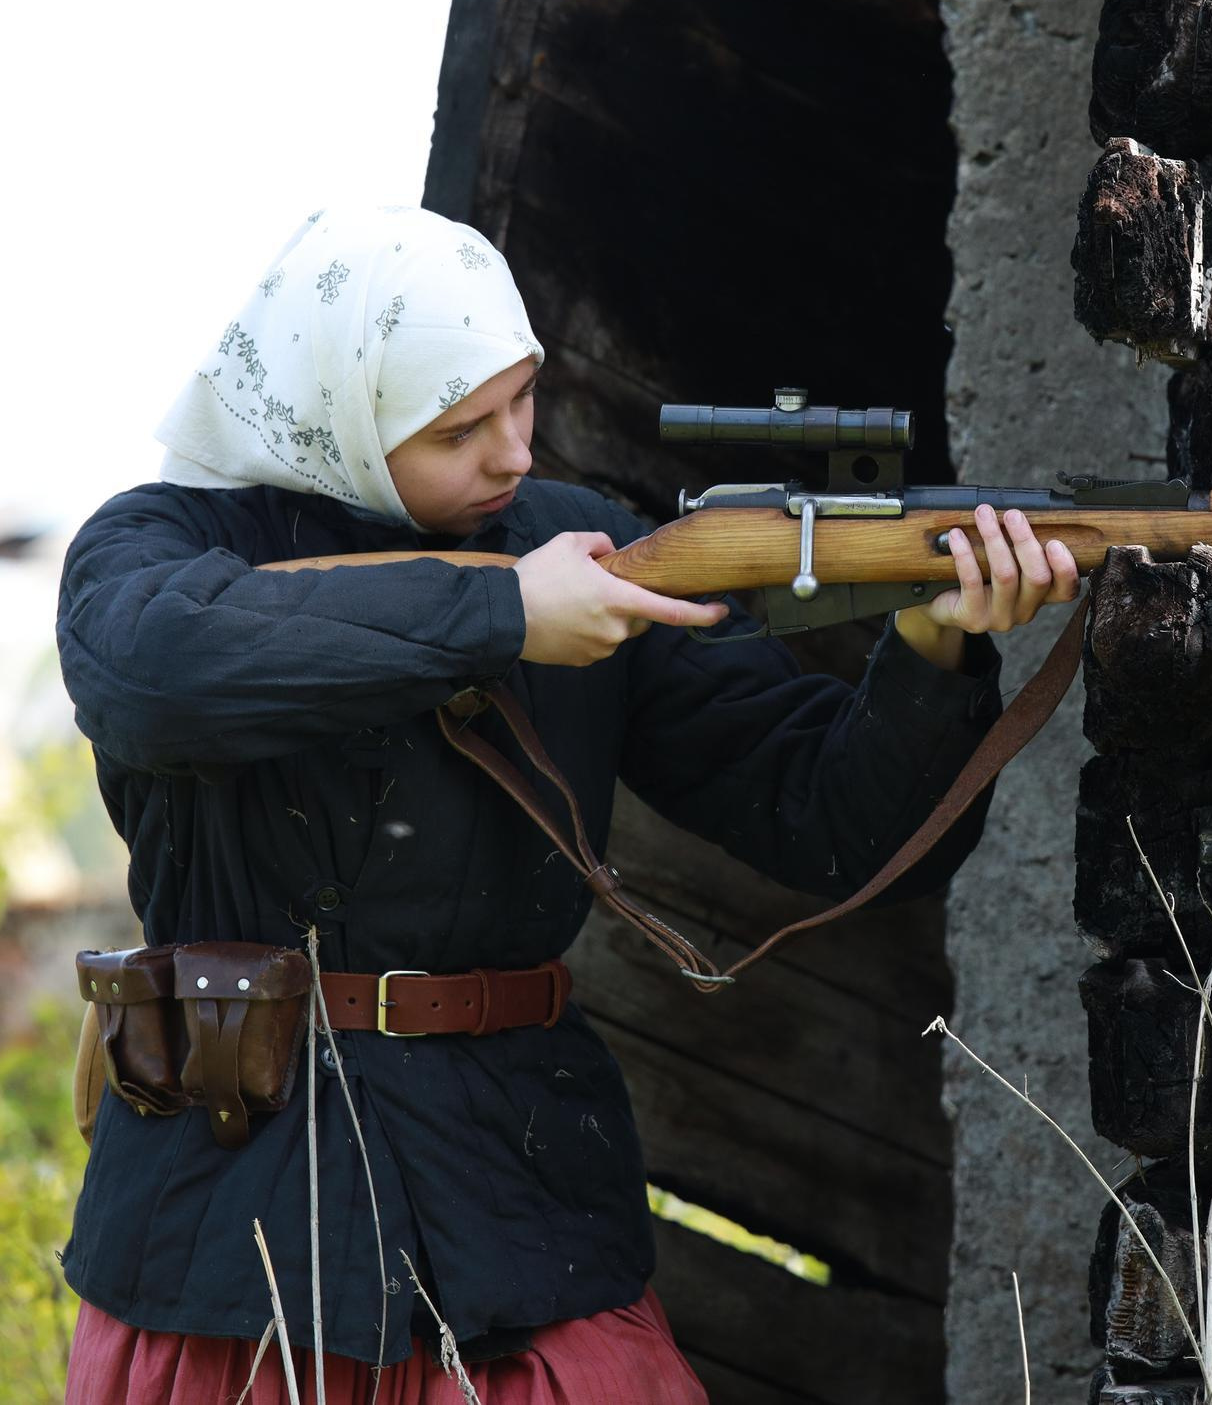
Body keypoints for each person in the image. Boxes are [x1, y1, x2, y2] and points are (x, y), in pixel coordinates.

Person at [55, 204, 1079, 1403]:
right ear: (340, 415)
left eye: (520, 400)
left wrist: (933, 645)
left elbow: (824, 817)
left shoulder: (574, 543)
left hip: (514, 1192)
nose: (513, 455)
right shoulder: (157, 543)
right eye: (458, 429)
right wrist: (501, 619)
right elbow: (150, 679)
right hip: (233, 1206)